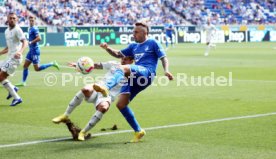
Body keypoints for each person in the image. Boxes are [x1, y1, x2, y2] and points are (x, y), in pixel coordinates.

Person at [93, 22, 174, 143]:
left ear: (144, 33)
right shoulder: (133, 46)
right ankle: (138, 131)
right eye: (133, 31)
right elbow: (118, 54)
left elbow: (163, 58)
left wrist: (166, 70)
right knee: (121, 105)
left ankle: (106, 86)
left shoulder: (153, 43)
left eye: (136, 32)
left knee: (122, 68)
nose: (133, 33)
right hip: (134, 76)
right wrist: (107, 48)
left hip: (147, 73)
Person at [52, 56, 134, 141]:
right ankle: (65, 115)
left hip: (107, 95)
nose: (123, 60)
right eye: (122, 58)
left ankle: (83, 132)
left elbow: (131, 89)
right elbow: (97, 65)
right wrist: (79, 65)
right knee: (86, 89)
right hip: (98, 86)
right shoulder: (114, 64)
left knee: (103, 108)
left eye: (126, 59)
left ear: (131, 61)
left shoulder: (131, 73)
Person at [16, 16, 59, 87]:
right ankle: (23, 82)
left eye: (32, 20)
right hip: (31, 50)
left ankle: (52, 63)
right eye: (30, 20)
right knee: (25, 66)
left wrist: (31, 42)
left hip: (35, 51)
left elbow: (39, 38)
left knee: (37, 69)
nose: (31, 22)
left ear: (35, 21)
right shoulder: (30, 28)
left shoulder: (35, 28)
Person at [0, 13, 28, 106]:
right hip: (9, 57)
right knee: (1, 75)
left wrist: (20, 52)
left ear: (16, 20)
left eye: (14, 18)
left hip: (15, 59)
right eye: (10, 18)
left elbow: (25, 42)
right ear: (7, 19)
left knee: (1, 77)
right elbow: (8, 47)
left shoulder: (18, 30)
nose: (12, 20)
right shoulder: (7, 31)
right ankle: (13, 88)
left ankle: (17, 98)